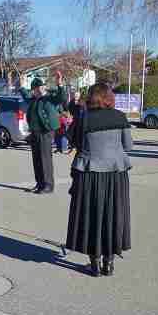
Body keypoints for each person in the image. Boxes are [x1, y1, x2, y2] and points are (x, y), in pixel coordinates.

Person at [66, 83, 132, 276]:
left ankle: (94, 263)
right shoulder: (120, 117)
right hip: (115, 174)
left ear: (91, 98)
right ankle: (108, 263)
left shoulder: (83, 118)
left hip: (89, 173)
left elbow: (74, 142)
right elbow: (128, 146)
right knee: (113, 214)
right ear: (109, 97)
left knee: (91, 215)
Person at [19, 71, 67, 194]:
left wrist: (59, 83)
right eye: (35, 89)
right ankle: (39, 183)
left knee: (45, 159)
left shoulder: (50, 98)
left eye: (40, 87)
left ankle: (48, 185)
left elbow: (62, 98)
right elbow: (25, 95)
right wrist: (22, 85)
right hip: (35, 132)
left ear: (43, 87)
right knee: (36, 159)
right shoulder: (33, 99)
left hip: (45, 132)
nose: (38, 90)